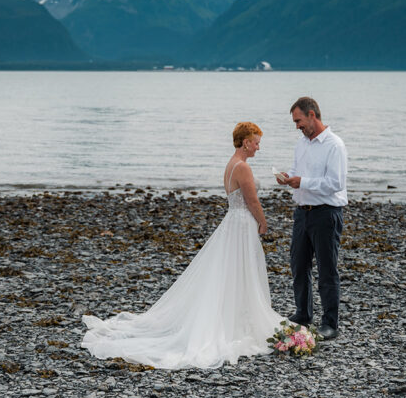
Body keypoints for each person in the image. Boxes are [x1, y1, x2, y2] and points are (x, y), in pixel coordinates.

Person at [81, 122, 282, 369]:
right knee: (240, 271)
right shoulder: (243, 168)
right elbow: (251, 200)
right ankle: (236, 321)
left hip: (234, 221)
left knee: (233, 271)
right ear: (246, 141)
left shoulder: (232, 164)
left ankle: (236, 316)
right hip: (241, 224)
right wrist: (263, 222)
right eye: (257, 141)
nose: (259, 146)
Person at [276, 97, 347, 341]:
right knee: (298, 265)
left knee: (327, 269)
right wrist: (288, 177)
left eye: (299, 121)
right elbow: (298, 172)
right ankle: (303, 314)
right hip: (302, 212)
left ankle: (330, 323)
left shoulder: (334, 145)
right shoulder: (301, 144)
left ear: (312, 115)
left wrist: (302, 182)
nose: (297, 126)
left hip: (326, 213)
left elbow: (336, 184)